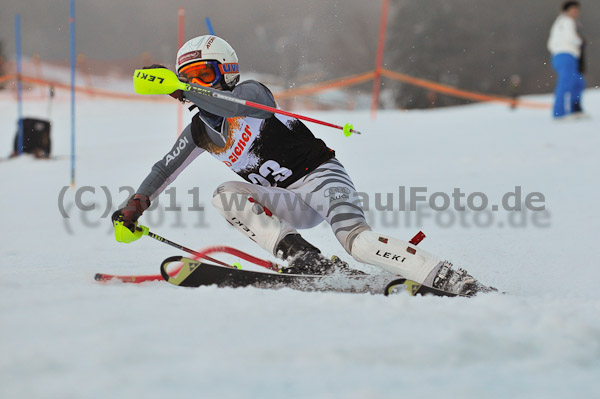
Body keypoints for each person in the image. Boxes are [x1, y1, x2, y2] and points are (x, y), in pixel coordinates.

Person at [112, 35, 493, 296]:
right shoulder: (199, 131)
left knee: (357, 243)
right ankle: (302, 257)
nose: (198, 87)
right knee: (226, 196)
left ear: (226, 72)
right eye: (189, 79)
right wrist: (136, 204)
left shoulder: (251, 93)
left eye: (205, 77)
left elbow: (237, 108)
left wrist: (182, 87)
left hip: (322, 178)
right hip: (285, 199)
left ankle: (449, 278)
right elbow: (164, 168)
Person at [547, 1, 586, 119]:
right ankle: (559, 113)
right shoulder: (566, 21)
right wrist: (580, 42)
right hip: (565, 55)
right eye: (573, 10)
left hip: (565, 56)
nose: (575, 12)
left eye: (577, 10)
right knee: (565, 83)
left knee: (578, 82)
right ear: (567, 10)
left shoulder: (562, 22)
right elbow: (571, 38)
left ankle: (575, 109)